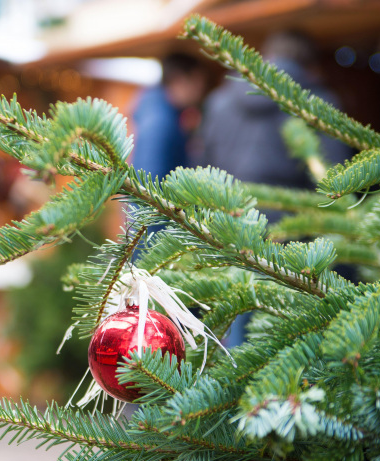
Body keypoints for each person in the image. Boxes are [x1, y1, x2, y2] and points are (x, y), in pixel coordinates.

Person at [198, 31, 351, 346]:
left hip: (229, 232)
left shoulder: (218, 101)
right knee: (292, 342)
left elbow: (204, 164)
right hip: (296, 242)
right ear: (308, 66)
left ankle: (233, 392)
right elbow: (336, 185)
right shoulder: (317, 103)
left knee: (236, 330)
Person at [129, 52, 208, 255]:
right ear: (180, 80)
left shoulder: (161, 114)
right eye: (198, 82)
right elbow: (148, 189)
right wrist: (164, 249)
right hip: (155, 243)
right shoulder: (160, 123)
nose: (201, 90)